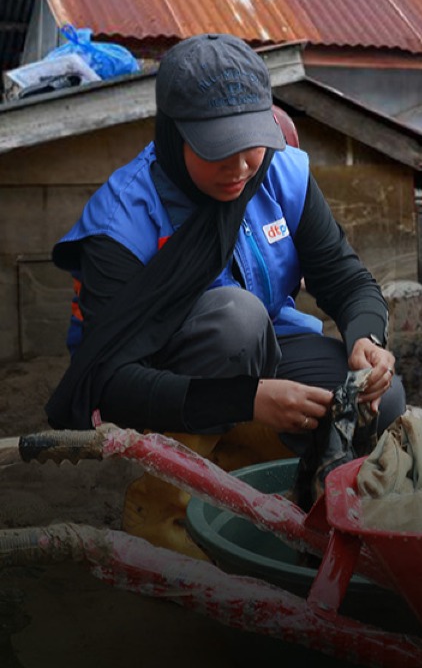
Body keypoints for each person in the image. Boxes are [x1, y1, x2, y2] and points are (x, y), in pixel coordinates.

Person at [46, 33, 401, 442]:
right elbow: (108, 382)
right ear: (175, 135)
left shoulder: (280, 173)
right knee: (237, 321)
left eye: (250, 143)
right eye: (218, 148)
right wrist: (246, 400)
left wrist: (366, 337)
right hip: (169, 378)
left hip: (271, 346)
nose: (239, 166)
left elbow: (346, 279)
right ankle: (202, 461)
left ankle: (260, 451)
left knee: (381, 405)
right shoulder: (121, 224)